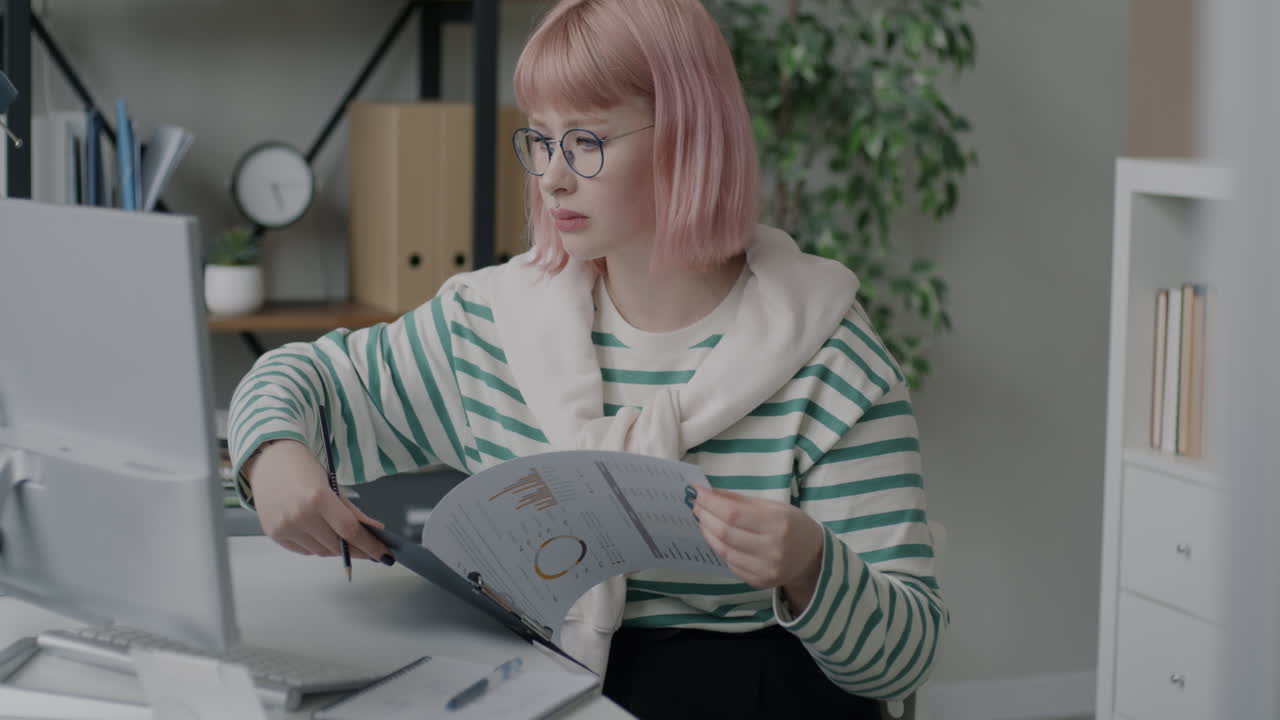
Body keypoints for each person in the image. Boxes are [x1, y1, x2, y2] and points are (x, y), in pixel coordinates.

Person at [228, 0, 946, 717]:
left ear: (689, 140)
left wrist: (810, 565)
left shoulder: (829, 357)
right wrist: (273, 455)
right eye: (541, 140)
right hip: (543, 689)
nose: (552, 178)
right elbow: (301, 379)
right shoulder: (491, 325)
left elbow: (903, 657)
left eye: (587, 141)